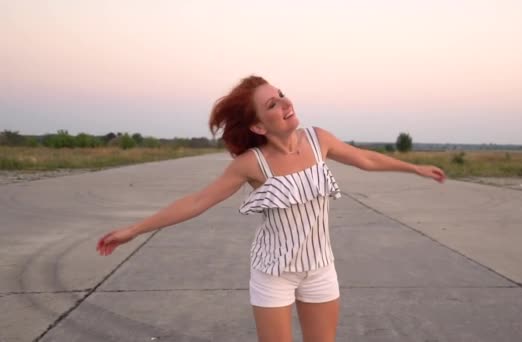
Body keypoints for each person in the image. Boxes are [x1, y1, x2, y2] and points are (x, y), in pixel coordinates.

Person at [96, 75, 446, 342]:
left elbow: (365, 159)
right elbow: (197, 201)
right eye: (272, 105)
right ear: (259, 126)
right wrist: (133, 230)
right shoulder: (252, 163)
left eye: (280, 95)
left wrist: (413, 168)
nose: (284, 102)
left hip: (320, 269)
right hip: (274, 273)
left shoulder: (318, 139)